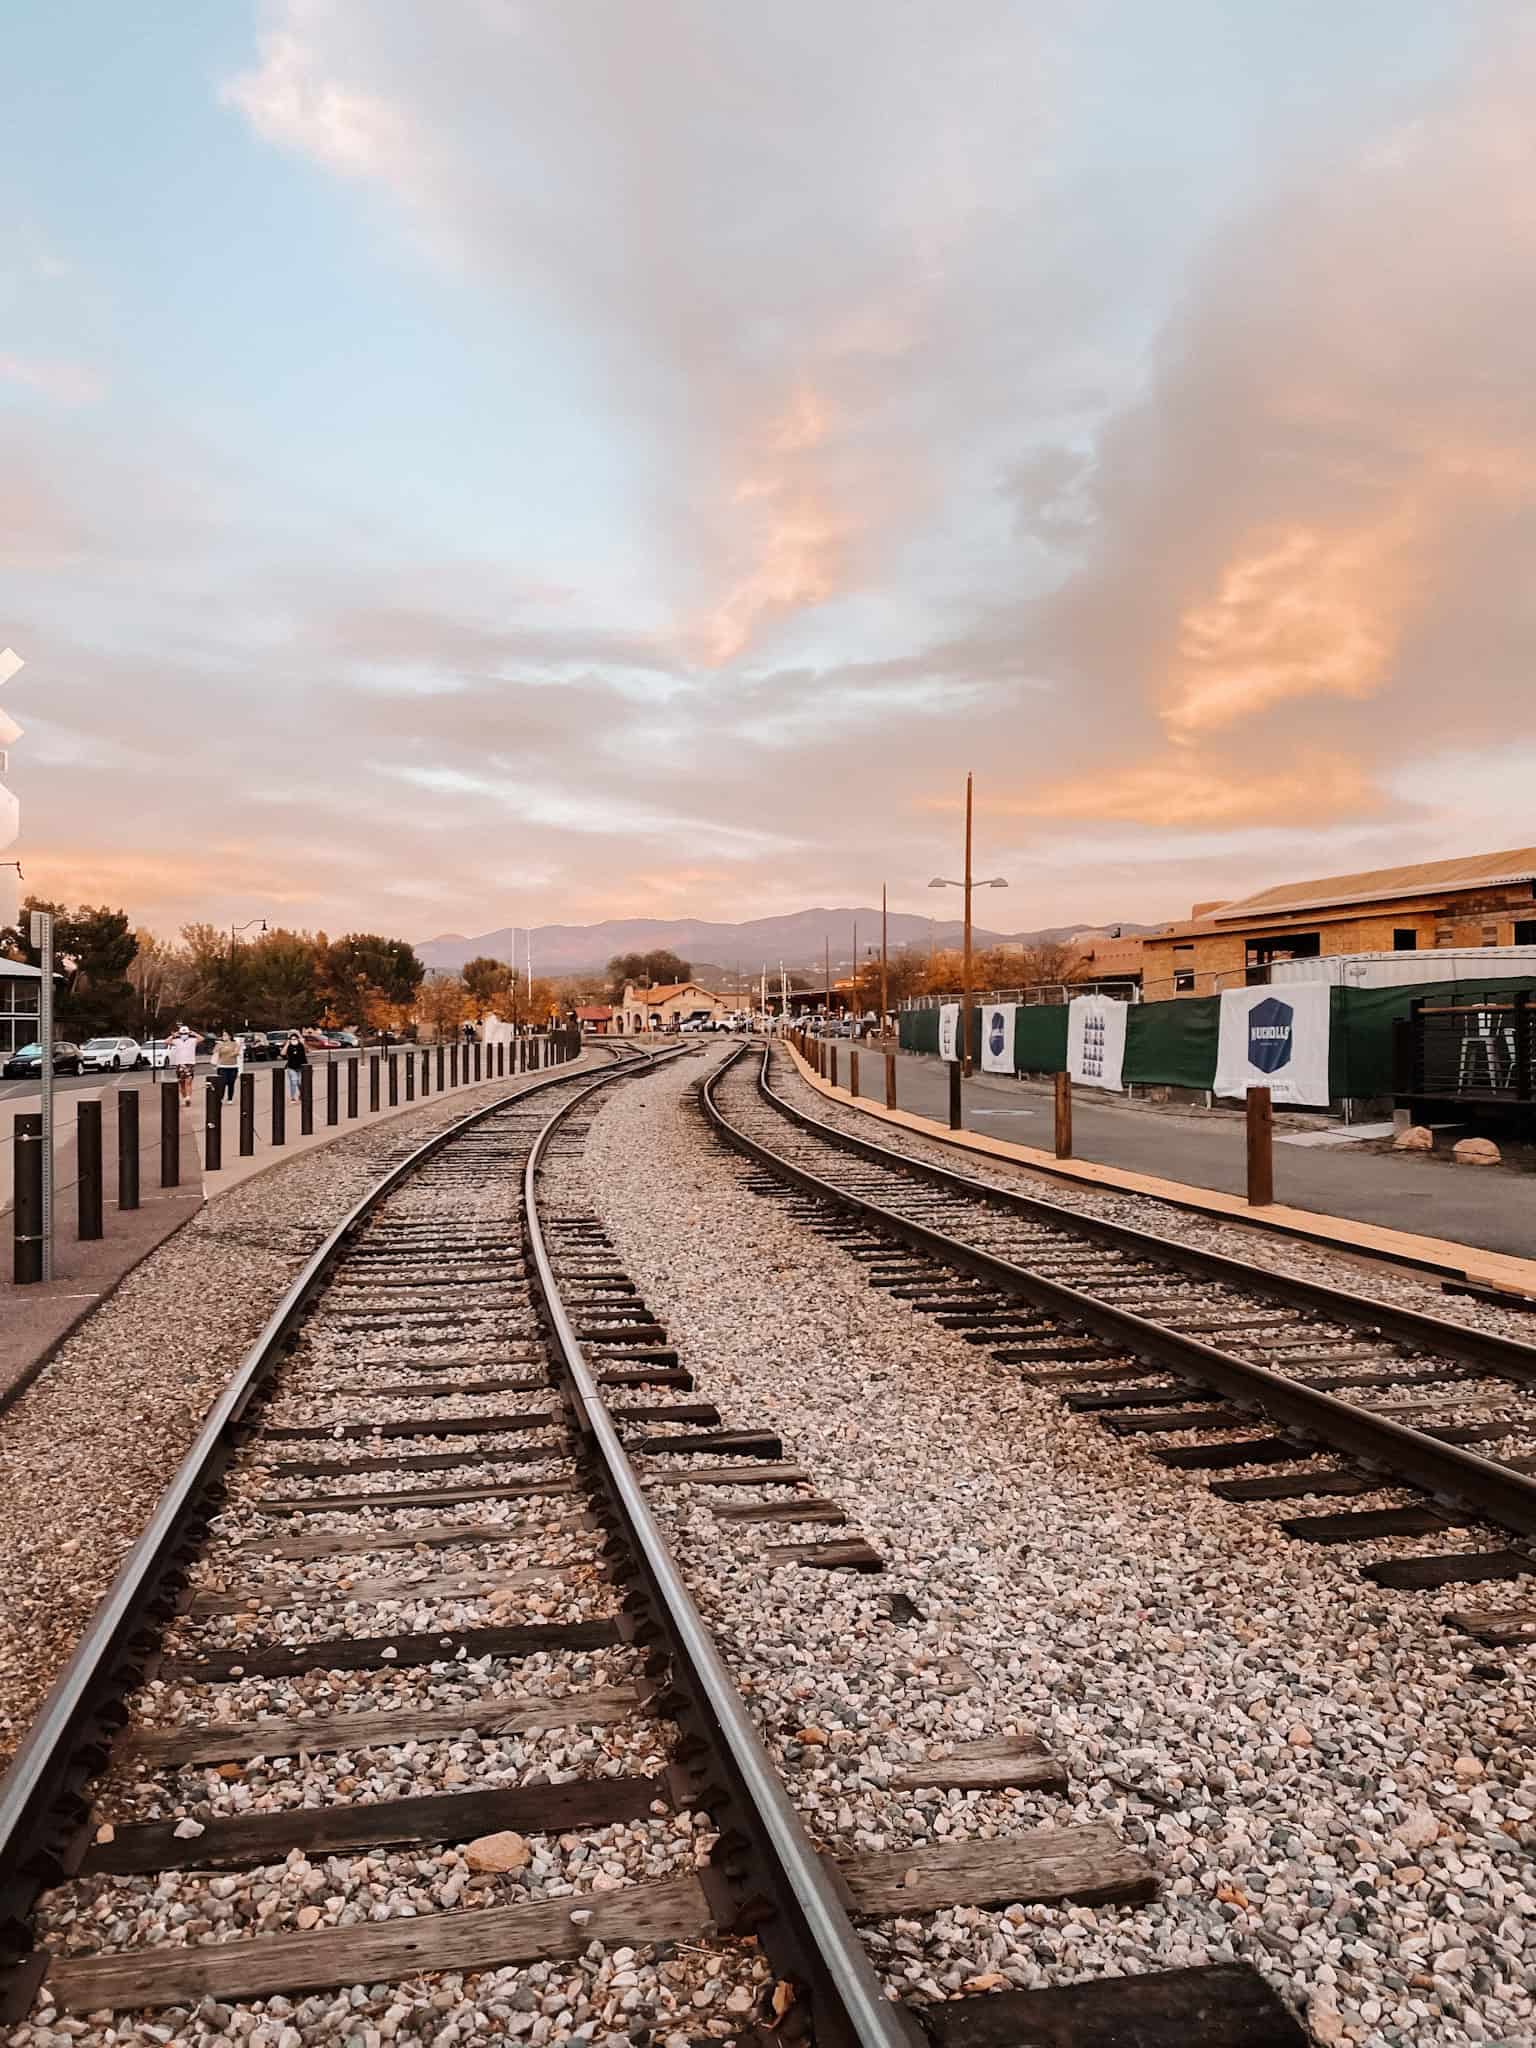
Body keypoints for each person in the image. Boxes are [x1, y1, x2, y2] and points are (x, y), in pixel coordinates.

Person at [168, 1024, 199, 1106]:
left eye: (185, 1034)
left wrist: (193, 1033)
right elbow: (166, 1041)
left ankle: (188, 1097)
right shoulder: (177, 1041)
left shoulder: (192, 1040)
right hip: (179, 1064)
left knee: (188, 1082)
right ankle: (185, 1098)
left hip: (190, 1063)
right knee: (181, 1083)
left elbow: (201, 1039)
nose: (184, 1035)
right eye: (182, 1034)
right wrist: (174, 1035)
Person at [212, 1028, 241, 1102]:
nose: (224, 1036)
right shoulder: (219, 1044)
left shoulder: (234, 1043)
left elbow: (236, 1052)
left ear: (230, 1036)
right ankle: (220, 1098)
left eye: (225, 1035)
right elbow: (215, 1051)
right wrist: (221, 1046)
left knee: (231, 1083)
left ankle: (230, 1098)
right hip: (222, 1067)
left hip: (233, 1066)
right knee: (222, 1083)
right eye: (223, 1035)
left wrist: (231, 1052)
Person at [282, 1031, 307, 1102]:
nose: (294, 1040)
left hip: (301, 1066)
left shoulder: (301, 1045)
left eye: (295, 1039)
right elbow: (282, 1053)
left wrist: (303, 1043)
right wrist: (287, 1044)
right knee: (293, 1082)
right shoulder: (289, 1046)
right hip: (291, 1067)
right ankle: (292, 1097)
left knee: (300, 1082)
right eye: (292, 1039)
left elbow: (307, 1050)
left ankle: (301, 1094)